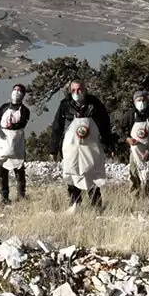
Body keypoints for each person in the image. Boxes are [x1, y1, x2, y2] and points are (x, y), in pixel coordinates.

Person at [50, 81, 115, 212]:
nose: (76, 93)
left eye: (79, 89)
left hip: (91, 147)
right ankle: (75, 204)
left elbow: (105, 126)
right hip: (71, 147)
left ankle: (97, 206)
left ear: (85, 90)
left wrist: (109, 146)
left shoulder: (95, 105)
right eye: (73, 90)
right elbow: (57, 127)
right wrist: (53, 149)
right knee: (73, 174)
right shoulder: (65, 105)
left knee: (92, 175)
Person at [0, 83, 30, 205]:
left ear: (23, 95)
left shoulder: (25, 111)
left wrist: (12, 125)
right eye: (15, 90)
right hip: (3, 141)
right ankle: (4, 197)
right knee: (2, 169)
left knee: (19, 169)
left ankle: (21, 196)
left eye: (19, 90)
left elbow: (22, 124)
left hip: (16, 141)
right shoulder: (4, 107)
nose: (16, 92)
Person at [122, 90, 149, 199]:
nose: (141, 102)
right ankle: (134, 201)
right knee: (134, 176)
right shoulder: (130, 114)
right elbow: (118, 128)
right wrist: (127, 139)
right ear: (134, 101)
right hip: (135, 152)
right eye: (138, 100)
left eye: (143, 100)